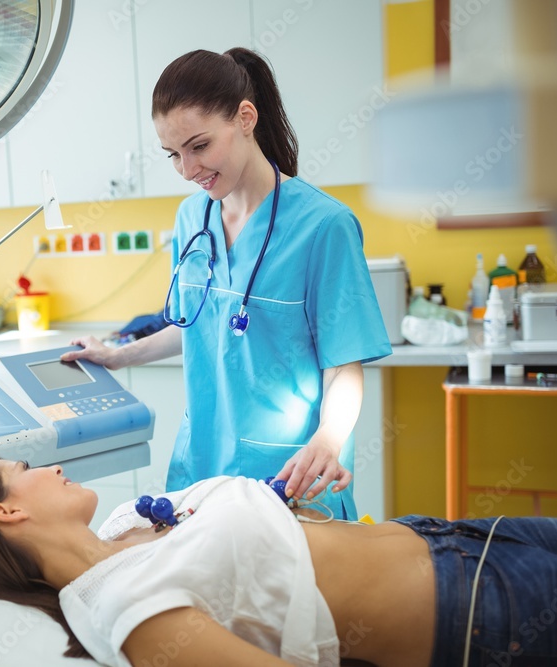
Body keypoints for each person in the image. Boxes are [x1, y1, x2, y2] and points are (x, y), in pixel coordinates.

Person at [61, 48, 392, 520]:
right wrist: (118, 356)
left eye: (199, 146)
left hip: (290, 472)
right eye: (173, 155)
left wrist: (329, 439)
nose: (188, 170)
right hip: (202, 465)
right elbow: (198, 324)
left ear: (245, 118)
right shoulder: (191, 217)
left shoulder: (324, 226)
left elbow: (344, 364)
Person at [0, 457, 557, 667]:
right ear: (8, 512)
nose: (50, 466)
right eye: (25, 470)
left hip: (460, 535)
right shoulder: (127, 614)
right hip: (476, 606)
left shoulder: (127, 525)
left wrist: (290, 508)